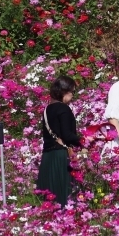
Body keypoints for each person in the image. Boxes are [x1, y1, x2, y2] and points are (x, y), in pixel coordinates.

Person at [36, 75, 82, 207]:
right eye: (72, 92)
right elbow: (67, 135)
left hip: (47, 157)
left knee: (49, 196)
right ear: (64, 91)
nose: (73, 95)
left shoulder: (47, 109)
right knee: (63, 195)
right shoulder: (64, 109)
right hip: (61, 156)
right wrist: (83, 140)